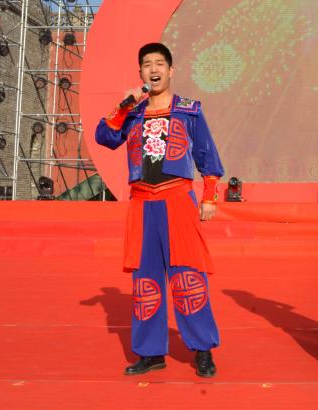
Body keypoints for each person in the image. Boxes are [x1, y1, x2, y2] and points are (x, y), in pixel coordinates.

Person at [94, 42, 224, 378]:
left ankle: (203, 349)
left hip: (178, 200)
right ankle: (151, 353)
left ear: (170, 70)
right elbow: (104, 136)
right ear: (140, 72)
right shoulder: (133, 113)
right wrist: (125, 104)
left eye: (159, 63)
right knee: (145, 281)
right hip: (142, 204)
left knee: (188, 277)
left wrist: (209, 197)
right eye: (147, 64)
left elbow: (207, 156)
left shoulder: (189, 110)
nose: (153, 69)